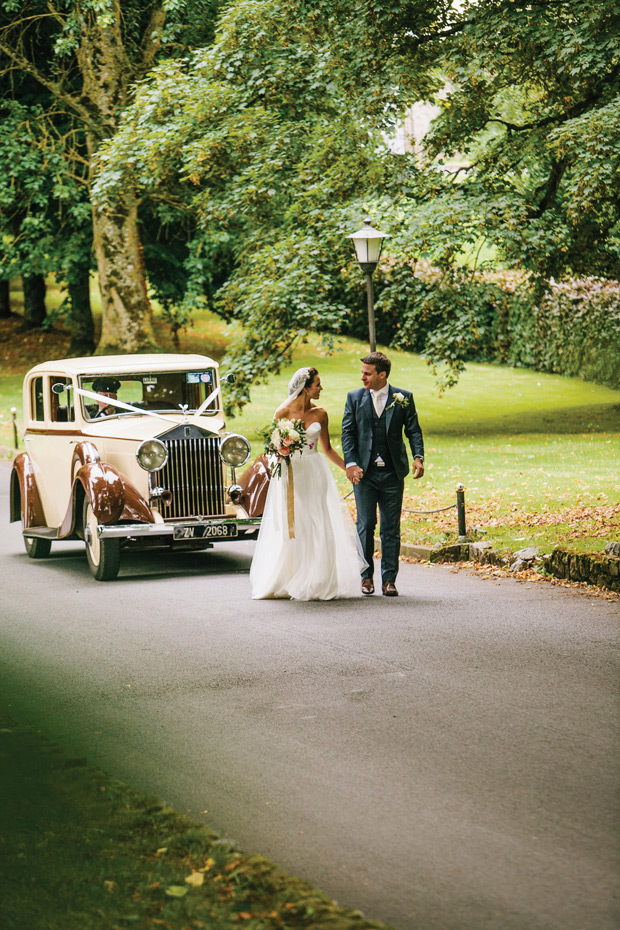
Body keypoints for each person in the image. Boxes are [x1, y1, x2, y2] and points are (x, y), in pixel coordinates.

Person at [250, 367, 364, 600]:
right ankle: (292, 575)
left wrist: (349, 468)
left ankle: (318, 577)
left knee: (317, 520)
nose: (321, 388)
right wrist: (280, 452)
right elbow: (273, 449)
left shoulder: (321, 413)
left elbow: (328, 449)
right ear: (305, 387)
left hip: (314, 471)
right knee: (297, 523)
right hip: (291, 473)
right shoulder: (282, 412)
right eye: (318, 384)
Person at [342, 352, 424, 597]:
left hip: (392, 474)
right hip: (363, 475)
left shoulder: (402, 398)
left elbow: (413, 430)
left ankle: (389, 580)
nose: (362, 377)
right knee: (365, 525)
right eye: (362, 372)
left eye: (367, 373)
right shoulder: (355, 398)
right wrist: (351, 463)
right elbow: (348, 434)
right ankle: (366, 576)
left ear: (382, 374)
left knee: (390, 528)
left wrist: (418, 456)